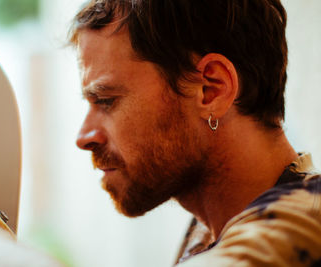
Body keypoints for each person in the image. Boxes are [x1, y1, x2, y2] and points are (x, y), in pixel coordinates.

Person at [69, 0, 321, 266]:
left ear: (211, 90)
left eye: (107, 100)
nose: (84, 136)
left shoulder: (305, 221)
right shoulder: (212, 228)